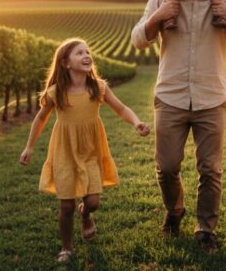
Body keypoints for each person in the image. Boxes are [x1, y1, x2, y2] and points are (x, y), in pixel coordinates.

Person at [131, 0, 226, 253]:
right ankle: (175, 211)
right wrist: (158, 18)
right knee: (167, 167)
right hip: (170, 96)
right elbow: (137, 39)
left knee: (210, 169)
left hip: (211, 98)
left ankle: (206, 230)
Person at [19, 39, 151, 263]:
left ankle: (86, 214)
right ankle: (67, 248)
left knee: (93, 201)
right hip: (65, 152)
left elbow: (120, 108)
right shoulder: (56, 92)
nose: (86, 55)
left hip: (91, 150)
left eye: (87, 51)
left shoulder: (97, 87)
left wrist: (136, 122)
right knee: (66, 205)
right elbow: (40, 119)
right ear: (65, 63)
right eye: (79, 53)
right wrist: (29, 146)